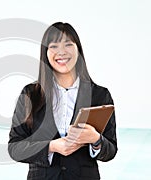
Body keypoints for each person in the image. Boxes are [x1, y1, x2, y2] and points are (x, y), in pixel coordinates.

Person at [8, 22, 117, 180]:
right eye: (54, 46)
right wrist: (51, 147)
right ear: (45, 53)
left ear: (78, 49)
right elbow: (15, 148)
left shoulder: (100, 95)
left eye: (68, 44)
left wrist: (95, 139)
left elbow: (111, 150)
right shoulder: (30, 94)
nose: (62, 52)